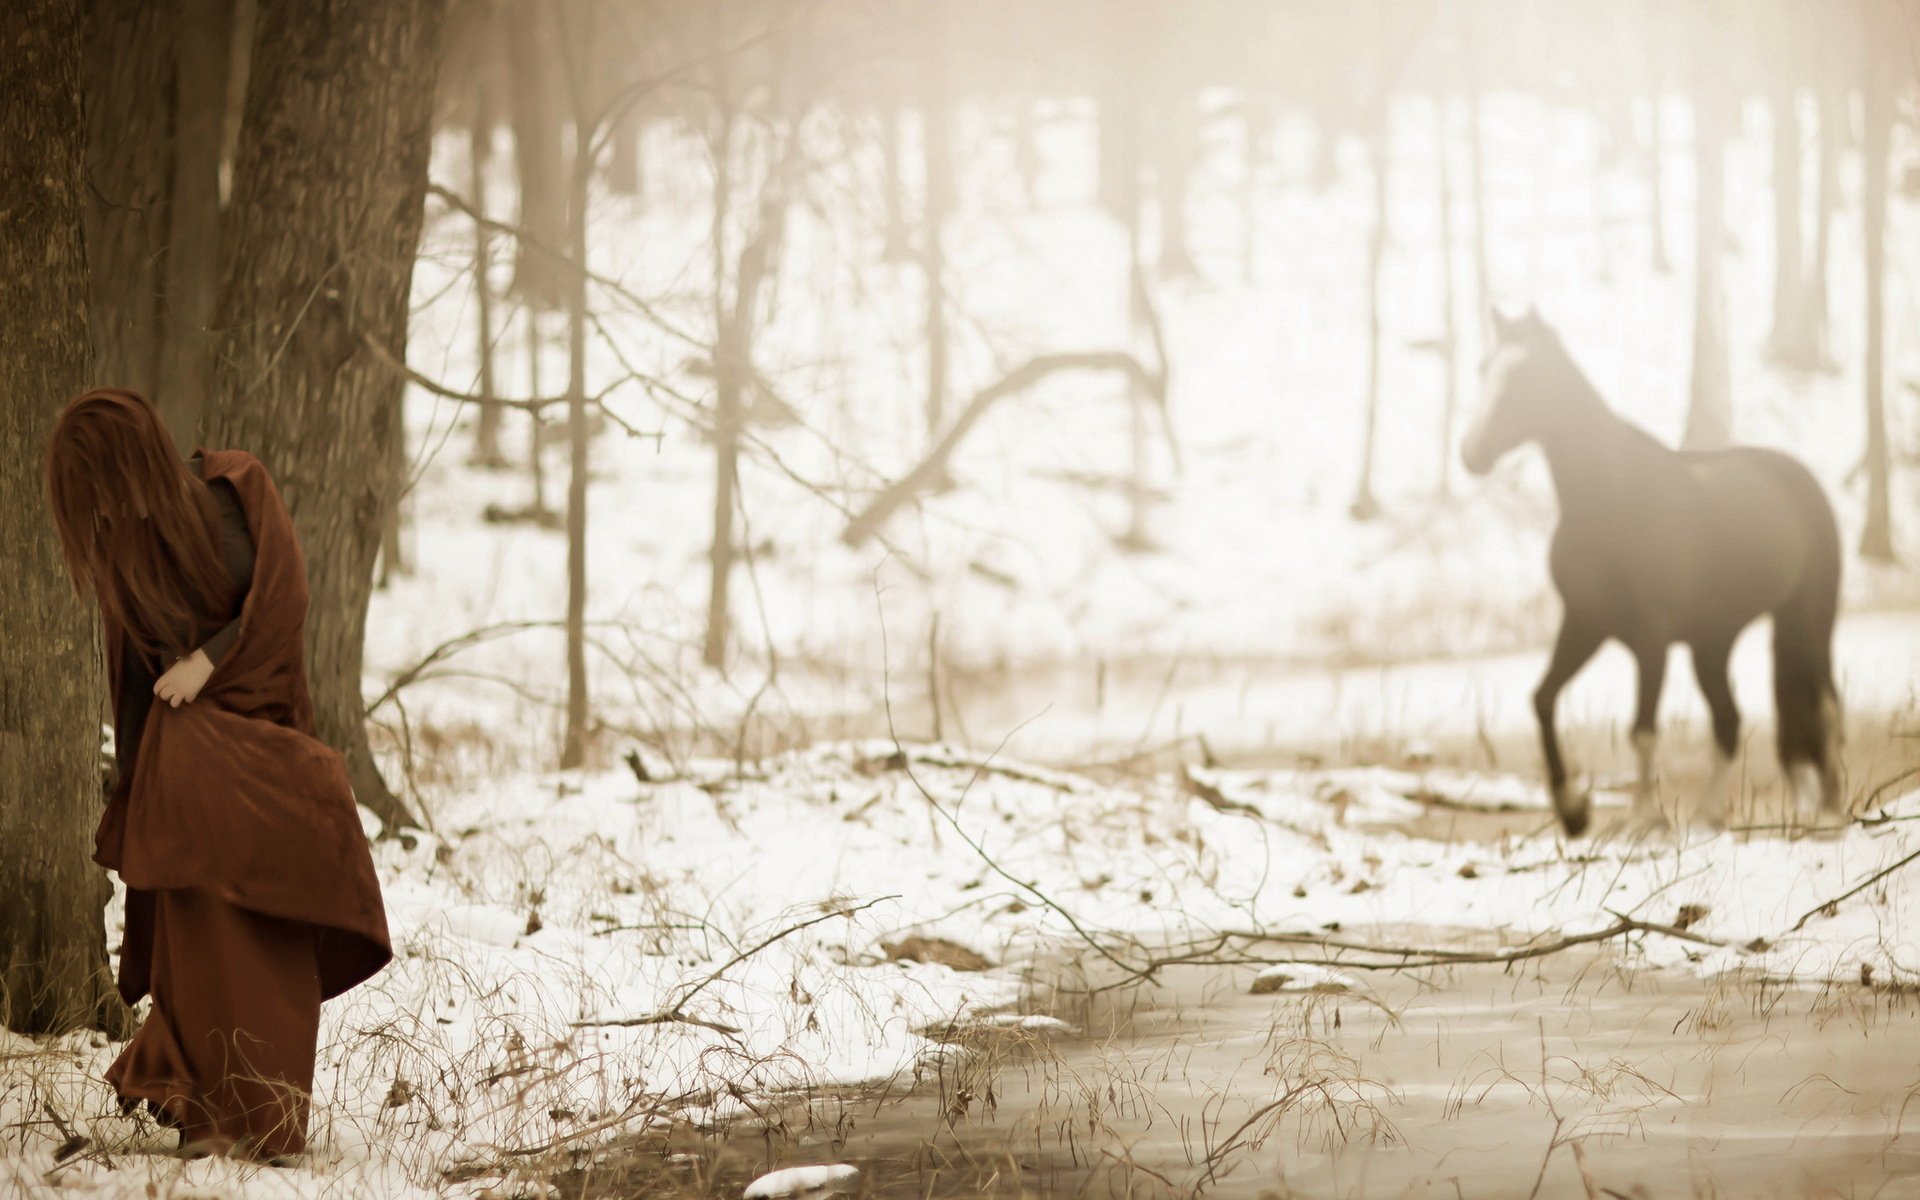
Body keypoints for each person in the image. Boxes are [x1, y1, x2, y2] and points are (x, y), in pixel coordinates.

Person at [44, 388, 391, 1163]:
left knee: (263, 931)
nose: (100, 505)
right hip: (186, 767)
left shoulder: (235, 489)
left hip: (260, 741)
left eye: (101, 480)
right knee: (202, 938)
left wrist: (209, 660)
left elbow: (282, 598)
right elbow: (133, 674)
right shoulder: (120, 549)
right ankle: (209, 1110)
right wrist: (135, 795)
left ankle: (263, 1118)